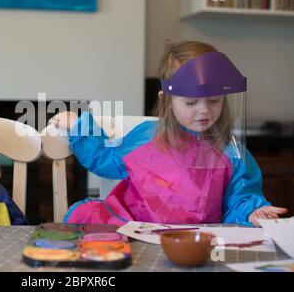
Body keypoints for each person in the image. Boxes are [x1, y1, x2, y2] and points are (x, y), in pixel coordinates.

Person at [50, 41, 287, 227]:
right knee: (88, 217)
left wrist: (253, 212)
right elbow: (104, 158)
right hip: (134, 229)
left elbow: (240, 201)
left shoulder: (232, 153)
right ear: (168, 101)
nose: (204, 110)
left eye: (214, 100)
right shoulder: (147, 138)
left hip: (198, 241)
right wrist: (79, 126)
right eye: (191, 102)